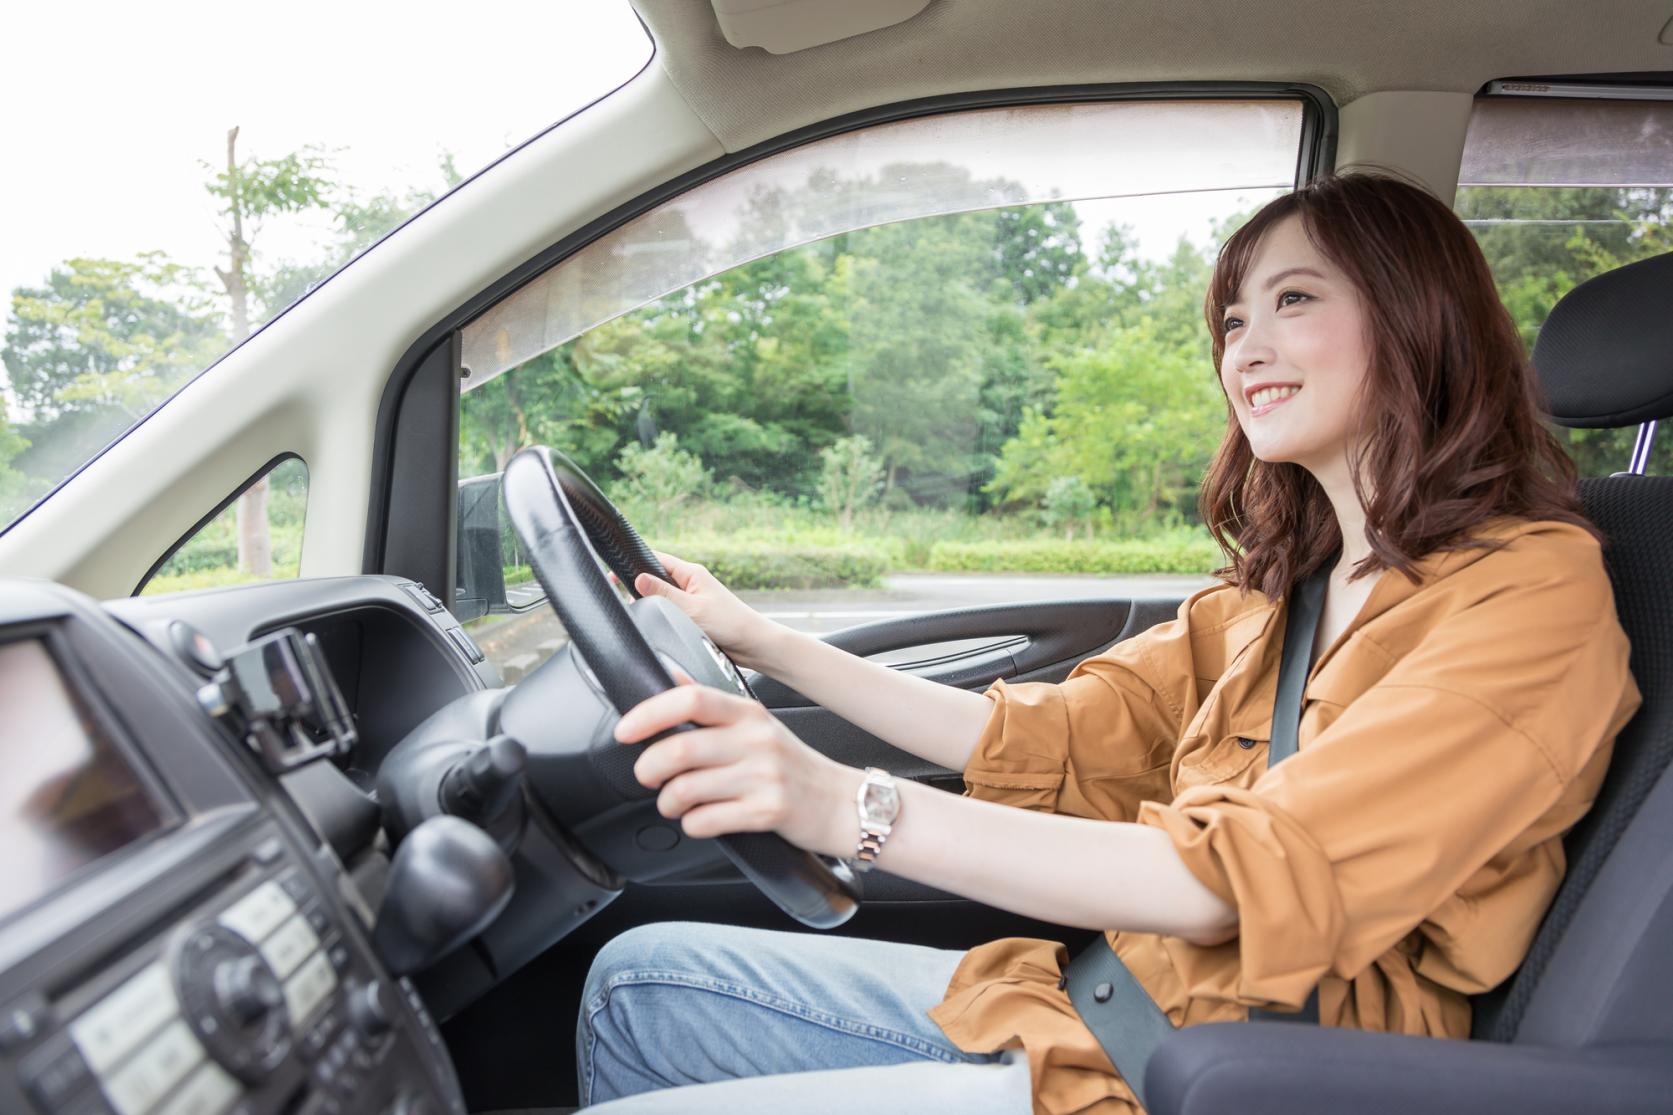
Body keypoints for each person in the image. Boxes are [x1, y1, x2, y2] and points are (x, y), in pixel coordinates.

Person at [572, 172, 1642, 1115]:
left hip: (1231, 1071)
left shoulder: (1531, 595)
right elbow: (1036, 736)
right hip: (1090, 1000)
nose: (1245, 348)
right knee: (636, 982)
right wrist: (764, 643)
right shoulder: (1284, 591)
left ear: (1416, 320)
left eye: (1293, 299)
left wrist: (844, 805)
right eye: (1229, 320)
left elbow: (1232, 881)